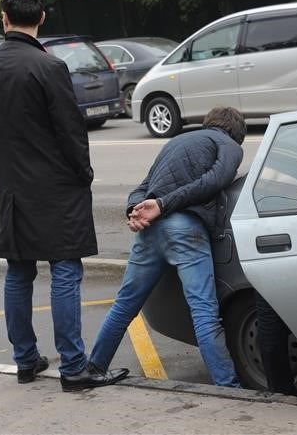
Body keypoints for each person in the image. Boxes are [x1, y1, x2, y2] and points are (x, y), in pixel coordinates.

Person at [0, 0, 128, 392]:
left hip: (14, 189)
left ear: (4, 18)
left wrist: (3, 174)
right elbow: (70, 131)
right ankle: (73, 367)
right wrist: (84, 174)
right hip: (57, 188)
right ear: (41, 18)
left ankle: (25, 359)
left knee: (19, 272)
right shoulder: (49, 67)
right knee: (64, 271)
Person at [88, 106, 246, 388]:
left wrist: (134, 211)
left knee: (124, 305)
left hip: (150, 231)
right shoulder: (229, 145)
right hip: (185, 228)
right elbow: (214, 181)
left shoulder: (176, 142)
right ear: (236, 133)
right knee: (204, 312)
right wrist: (162, 205)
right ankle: (228, 386)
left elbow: (142, 188)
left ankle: (94, 368)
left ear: (208, 123)